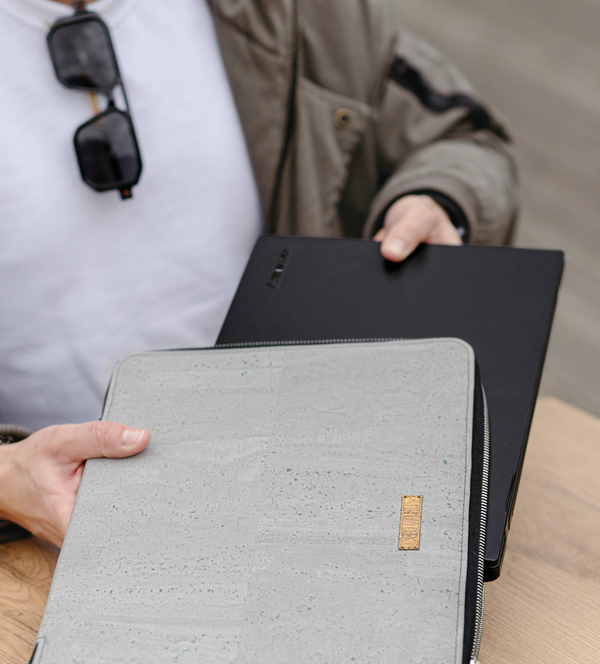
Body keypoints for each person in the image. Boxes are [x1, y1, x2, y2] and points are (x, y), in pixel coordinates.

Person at [0, 0, 518, 547]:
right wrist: (8, 478)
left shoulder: (301, 13)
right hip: (36, 544)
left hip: (319, 474)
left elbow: (461, 137)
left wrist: (437, 198)